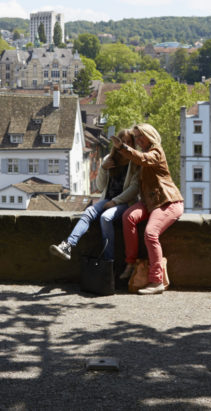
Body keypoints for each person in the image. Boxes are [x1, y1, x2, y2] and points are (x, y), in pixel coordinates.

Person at [49, 128, 140, 262]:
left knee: (106, 217)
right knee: (89, 212)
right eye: (123, 141)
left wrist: (115, 202)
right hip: (107, 200)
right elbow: (100, 186)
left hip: (125, 203)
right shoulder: (111, 158)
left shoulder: (136, 162)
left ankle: (108, 259)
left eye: (129, 142)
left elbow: (134, 189)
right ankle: (68, 245)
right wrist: (103, 168)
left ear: (133, 144)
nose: (125, 145)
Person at [116, 123, 184, 295]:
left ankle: (157, 281)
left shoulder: (156, 151)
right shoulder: (144, 153)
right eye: (136, 136)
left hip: (168, 202)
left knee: (150, 233)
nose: (138, 140)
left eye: (141, 136)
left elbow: (143, 159)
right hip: (150, 202)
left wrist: (123, 147)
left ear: (150, 135)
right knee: (128, 217)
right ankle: (131, 263)